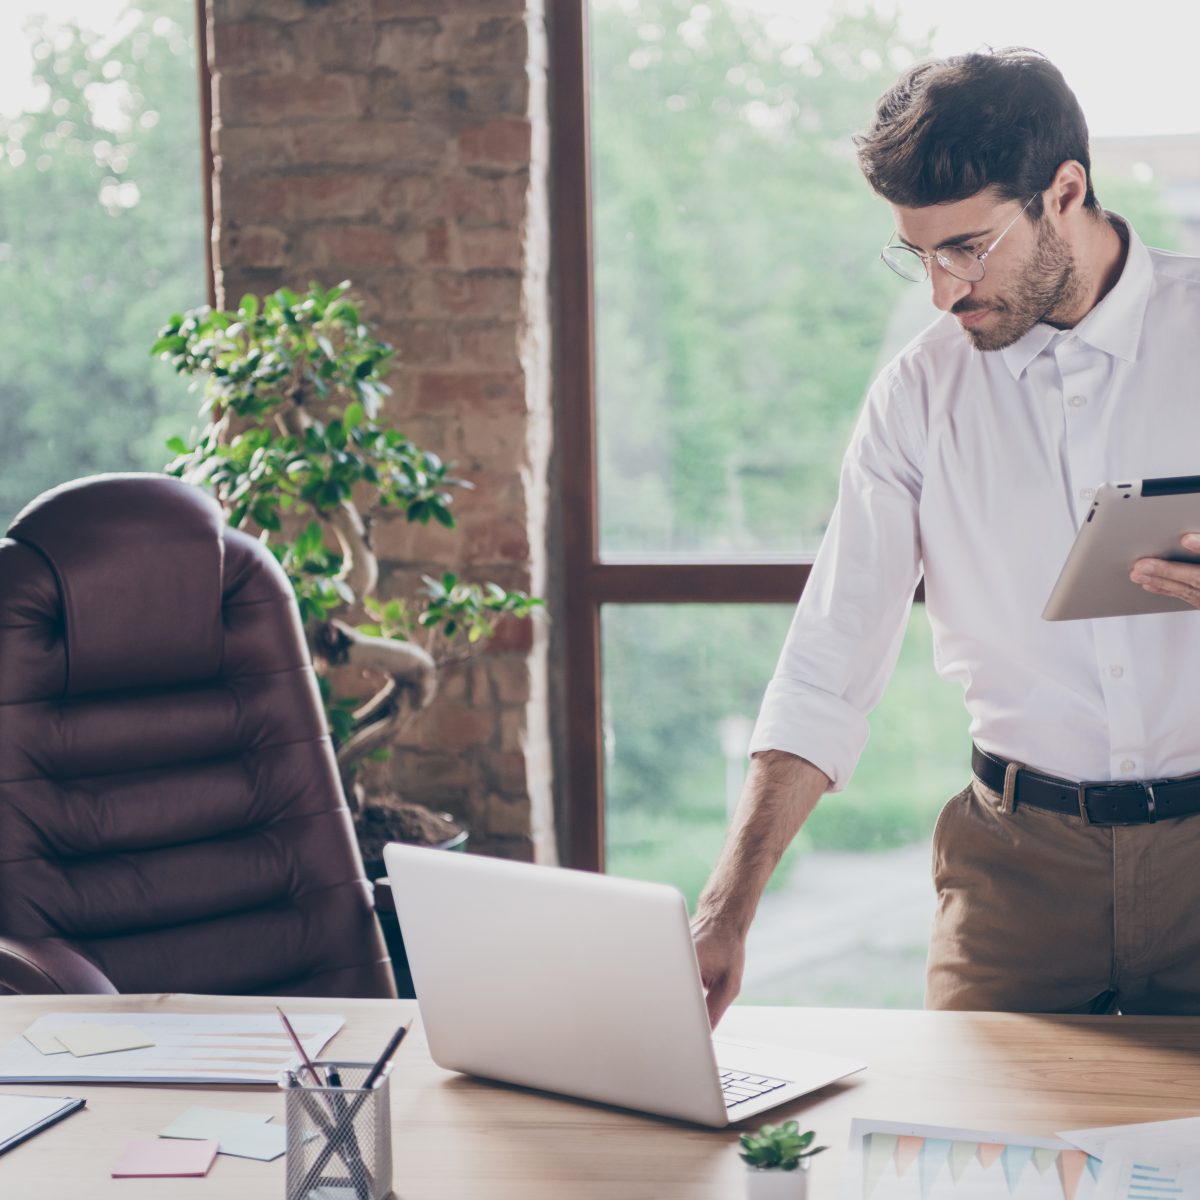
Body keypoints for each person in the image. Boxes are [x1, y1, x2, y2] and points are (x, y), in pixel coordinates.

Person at [691, 47, 1200, 1024]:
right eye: (917, 253)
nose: (941, 290)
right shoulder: (918, 394)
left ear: (1065, 190)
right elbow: (828, 662)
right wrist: (725, 907)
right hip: (1014, 878)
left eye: (966, 247)